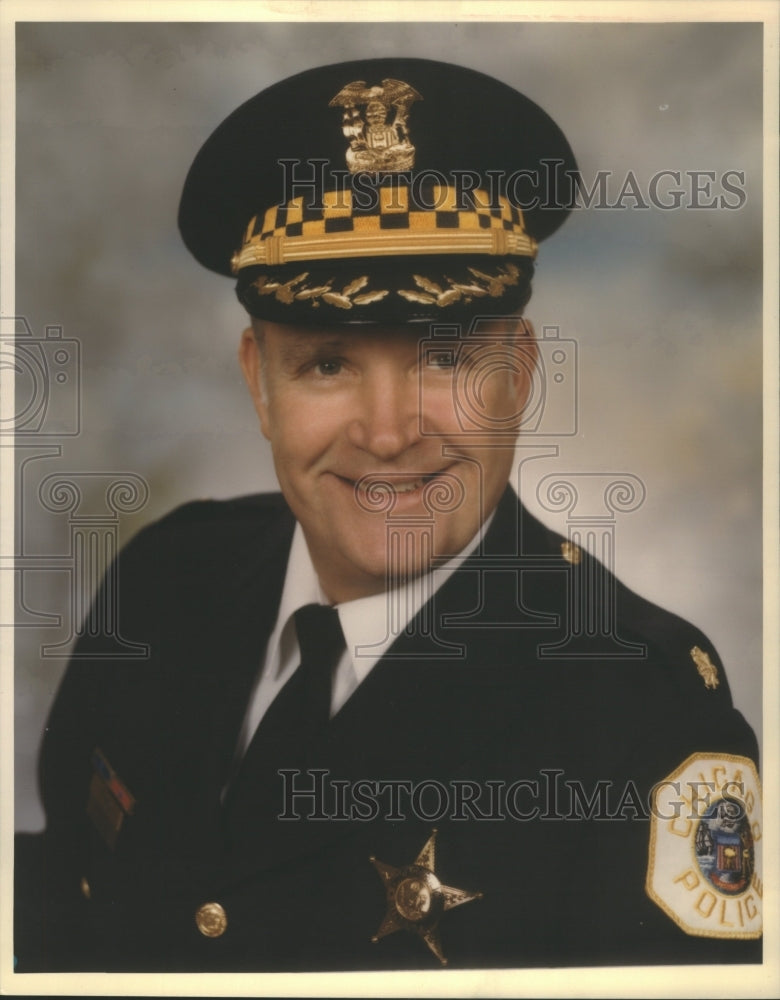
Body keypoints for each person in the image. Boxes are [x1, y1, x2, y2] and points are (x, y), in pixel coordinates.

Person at [14, 56, 761, 973]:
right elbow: (60, 916)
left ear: (519, 376)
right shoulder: (167, 582)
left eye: (444, 361)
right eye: (327, 363)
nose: (388, 432)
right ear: (258, 382)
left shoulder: (642, 717)